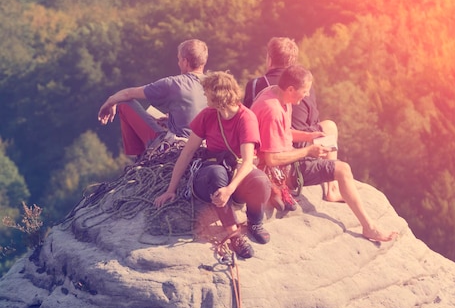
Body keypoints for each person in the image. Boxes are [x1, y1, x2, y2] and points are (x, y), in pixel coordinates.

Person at [250, 65, 397, 243]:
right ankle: (369, 227)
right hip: (278, 172)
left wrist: (309, 136)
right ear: (290, 89)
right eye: (304, 91)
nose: (306, 95)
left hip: (284, 158)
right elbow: (271, 159)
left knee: (328, 131)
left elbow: (283, 132)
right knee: (343, 170)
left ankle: (333, 191)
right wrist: (307, 151)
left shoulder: (275, 94)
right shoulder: (272, 110)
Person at [154, 71, 271, 259]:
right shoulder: (207, 115)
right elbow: (187, 153)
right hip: (209, 174)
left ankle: (255, 221)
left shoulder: (245, 118)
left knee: (261, 181)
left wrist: (230, 189)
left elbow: (248, 161)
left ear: (218, 96)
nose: (204, 95)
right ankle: (234, 234)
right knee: (216, 174)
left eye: (206, 92)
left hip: (234, 173)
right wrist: (170, 189)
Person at [243, 37, 342, 203]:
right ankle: (332, 188)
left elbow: (248, 119)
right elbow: (313, 120)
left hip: (272, 145)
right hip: (290, 147)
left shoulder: (256, 85)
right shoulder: (303, 85)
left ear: (269, 58)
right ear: (293, 61)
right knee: (330, 126)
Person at [97, 39, 208, 157]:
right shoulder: (213, 86)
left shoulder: (174, 83)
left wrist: (111, 101)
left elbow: (127, 95)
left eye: (179, 59)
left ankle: (139, 158)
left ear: (185, 62)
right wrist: (168, 119)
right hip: (203, 146)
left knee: (125, 104)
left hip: (177, 146)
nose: (178, 63)